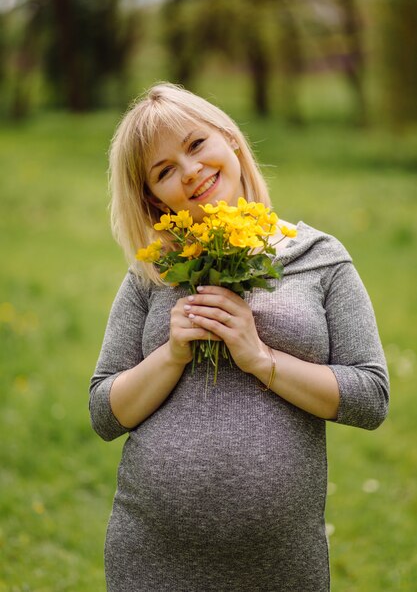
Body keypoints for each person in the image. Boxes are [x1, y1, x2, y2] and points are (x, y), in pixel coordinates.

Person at [90, 82, 389, 592]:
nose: (189, 172)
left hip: (280, 566)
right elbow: (103, 414)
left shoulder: (319, 257)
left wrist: (261, 359)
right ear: (152, 197)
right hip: (152, 560)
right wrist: (172, 354)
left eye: (195, 144)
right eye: (163, 171)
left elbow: (372, 398)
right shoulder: (154, 274)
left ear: (229, 139)